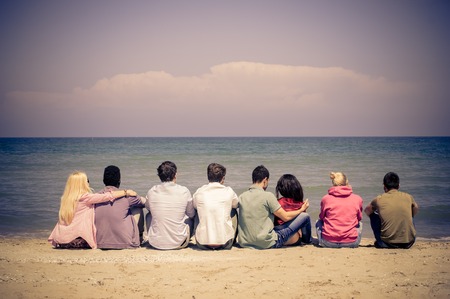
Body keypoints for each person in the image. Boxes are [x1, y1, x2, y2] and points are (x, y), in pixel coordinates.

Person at [48, 171, 137, 249]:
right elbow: (107, 196)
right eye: (87, 181)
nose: (88, 183)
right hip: (77, 242)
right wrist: (125, 192)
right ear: (82, 184)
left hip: (62, 241)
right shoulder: (85, 198)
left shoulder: (66, 199)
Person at [237, 165, 311, 249]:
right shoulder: (268, 196)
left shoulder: (242, 196)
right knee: (305, 216)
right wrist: (302, 209)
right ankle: (307, 241)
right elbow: (286, 217)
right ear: (265, 180)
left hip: (244, 243)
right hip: (267, 243)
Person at [145, 161, 196, 250]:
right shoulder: (184, 191)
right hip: (179, 243)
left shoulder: (152, 191)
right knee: (190, 218)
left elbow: (148, 208)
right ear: (175, 174)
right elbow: (191, 214)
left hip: (155, 243)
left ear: (159, 176)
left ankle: (153, 236)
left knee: (149, 215)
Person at [95, 165, 146, 249]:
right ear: (119, 181)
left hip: (99, 243)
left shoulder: (95, 197)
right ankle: (140, 238)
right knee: (137, 208)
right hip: (126, 244)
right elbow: (144, 203)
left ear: (103, 180)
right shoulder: (127, 197)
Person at [365, 172, 419, 249]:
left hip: (387, 243)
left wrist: (380, 215)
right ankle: (406, 236)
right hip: (409, 243)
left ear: (384, 186)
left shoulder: (379, 199)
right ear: (399, 185)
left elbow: (367, 211)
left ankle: (381, 239)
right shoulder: (408, 197)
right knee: (411, 212)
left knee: (373, 214)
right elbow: (416, 209)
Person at [193, 163, 239, 250]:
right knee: (233, 210)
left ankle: (204, 235)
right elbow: (236, 204)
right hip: (225, 243)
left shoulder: (199, 192)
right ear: (222, 178)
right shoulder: (229, 191)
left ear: (208, 177)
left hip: (202, 243)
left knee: (198, 210)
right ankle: (232, 238)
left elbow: (194, 206)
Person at [316, 172, 363, 248]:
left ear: (333, 183)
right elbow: (359, 218)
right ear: (346, 182)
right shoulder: (357, 199)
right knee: (360, 223)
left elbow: (321, 217)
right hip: (352, 243)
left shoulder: (326, 198)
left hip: (328, 242)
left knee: (318, 222)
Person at [274, 174, 310, 245]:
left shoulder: (277, 203)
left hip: (277, 234)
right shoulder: (300, 204)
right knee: (305, 217)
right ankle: (307, 240)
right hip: (293, 237)